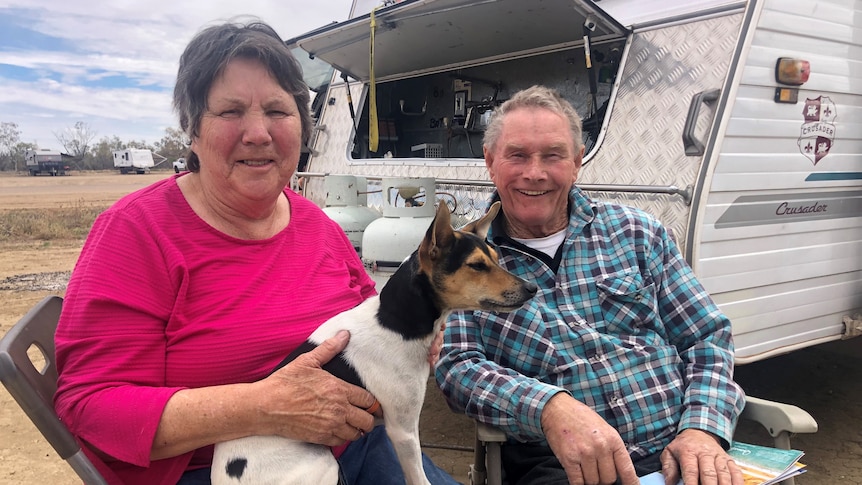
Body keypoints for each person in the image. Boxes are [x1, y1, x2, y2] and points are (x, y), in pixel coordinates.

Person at [54, 18, 458, 485]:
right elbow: (90, 406)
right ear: (192, 129)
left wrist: (412, 332)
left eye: (277, 111)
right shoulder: (136, 233)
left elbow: (374, 313)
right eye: (230, 112)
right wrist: (263, 407)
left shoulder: (316, 225)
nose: (258, 133)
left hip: (358, 448)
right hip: (221, 473)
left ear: (301, 128)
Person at [434, 85, 746, 485]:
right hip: (565, 461)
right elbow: (458, 367)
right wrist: (548, 407)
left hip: (679, 445)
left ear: (578, 161)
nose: (535, 172)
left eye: (553, 155)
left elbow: (706, 337)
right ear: (491, 162)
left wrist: (701, 429)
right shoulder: (461, 259)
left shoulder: (638, 233)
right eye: (517, 155)